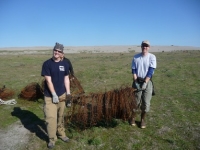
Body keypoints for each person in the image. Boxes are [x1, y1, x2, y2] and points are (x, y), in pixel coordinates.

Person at [41, 42, 71, 148]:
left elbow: (66, 79)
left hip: (62, 95)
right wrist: (53, 94)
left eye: (59, 51)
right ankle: (52, 139)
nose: (56, 53)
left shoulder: (65, 64)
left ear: (62, 53)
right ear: (53, 51)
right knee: (51, 118)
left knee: (60, 117)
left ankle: (61, 134)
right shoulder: (47, 64)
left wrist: (68, 93)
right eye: (55, 50)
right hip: (50, 97)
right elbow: (48, 81)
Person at [131, 40, 157, 129]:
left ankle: (142, 120)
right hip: (137, 81)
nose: (144, 47)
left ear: (149, 47)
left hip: (147, 82)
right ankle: (133, 117)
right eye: (143, 45)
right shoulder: (136, 57)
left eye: (146, 46)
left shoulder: (152, 57)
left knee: (146, 103)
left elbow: (150, 71)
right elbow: (134, 70)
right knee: (135, 102)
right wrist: (136, 81)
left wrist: (145, 82)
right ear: (141, 46)